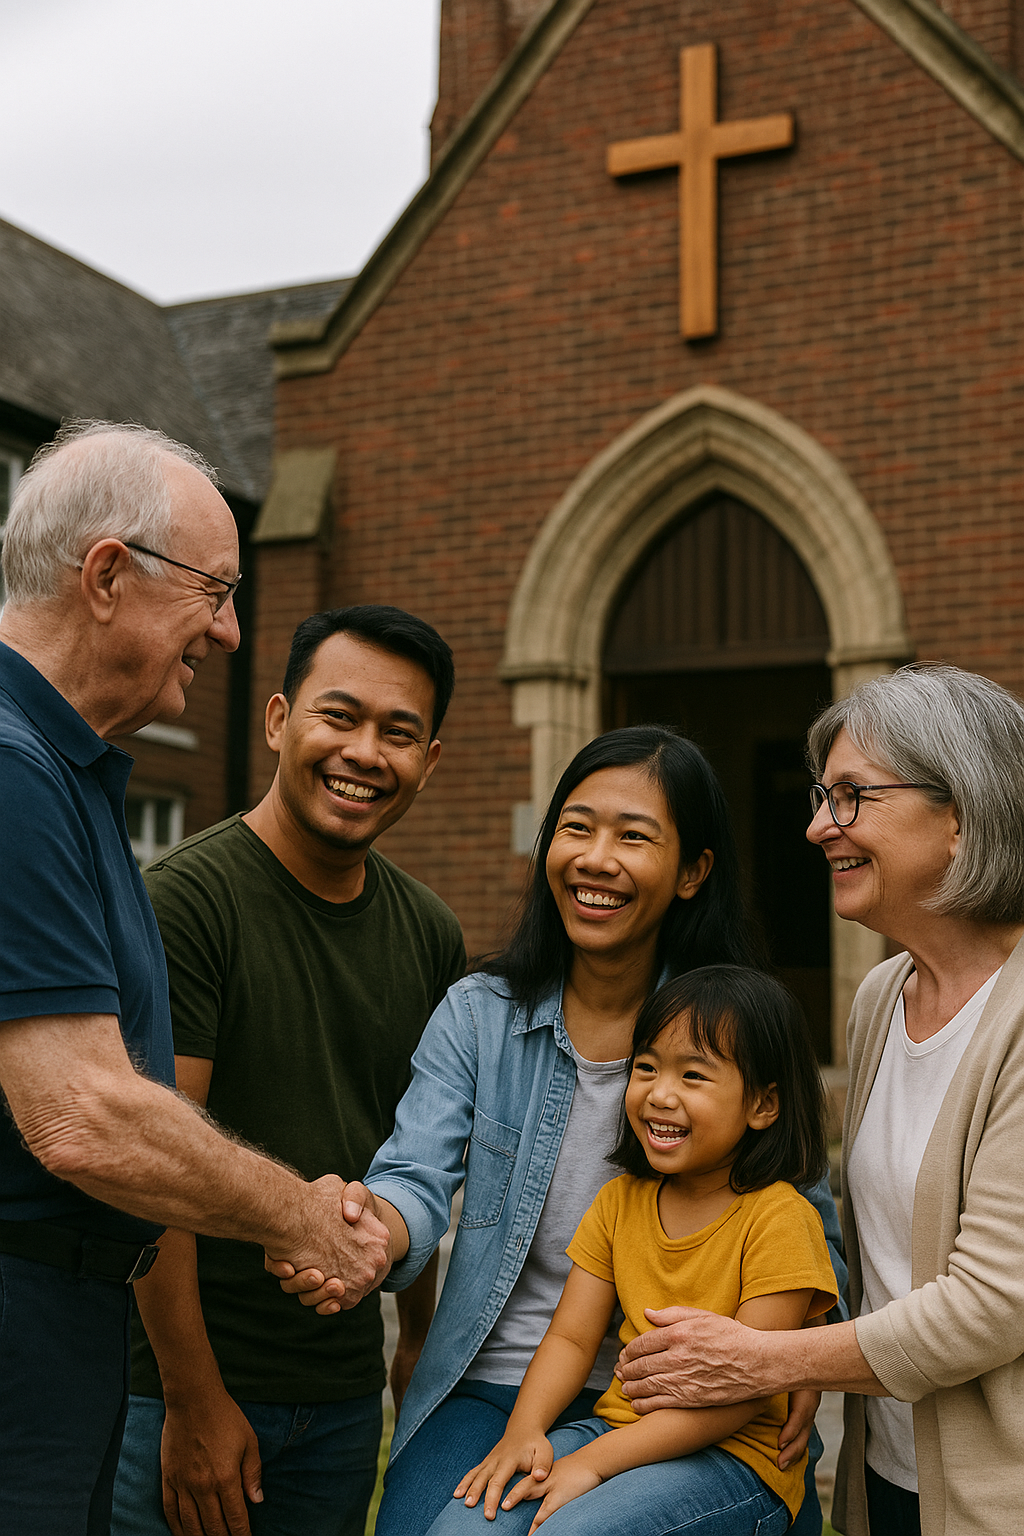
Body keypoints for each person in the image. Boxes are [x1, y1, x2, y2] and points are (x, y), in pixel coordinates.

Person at [276, 725, 846, 1535]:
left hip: (684, 1389)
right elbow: (414, 1177)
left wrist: (798, 1352)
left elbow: (809, 1227)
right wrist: (365, 1232)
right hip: (504, 1377)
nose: (595, 859)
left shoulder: (734, 1033)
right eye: (577, 828)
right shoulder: (479, 1015)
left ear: (693, 871)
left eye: (633, 836)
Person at [0, 422, 390, 1536]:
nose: (228, 630)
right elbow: (81, 1115)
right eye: (213, 591)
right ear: (106, 576)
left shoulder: (58, 769)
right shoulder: (13, 770)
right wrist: (299, 1217)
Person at [614, 664, 1024, 1536]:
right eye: (821, 797)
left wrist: (769, 1359)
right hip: (888, 1478)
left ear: (959, 816)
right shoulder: (880, 997)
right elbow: (875, 1246)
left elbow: (993, 1305)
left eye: (851, 797)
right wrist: (807, 1332)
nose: (816, 827)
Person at [111, 605, 466, 1536]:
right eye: (338, 716)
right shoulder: (186, 903)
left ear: (429, 761)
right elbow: (155, 1166)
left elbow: (416, 1153)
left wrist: (416, 1339)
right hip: (182, 1390)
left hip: (343, 1394)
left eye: (399, 733)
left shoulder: (430, 931)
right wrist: (192, 1399)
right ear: (278, 720)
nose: (364, 753)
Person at [428, 965, 838, 1536]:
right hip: (618, 1431)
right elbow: (571, 1338)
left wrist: (591, 1465)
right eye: (645, 1067)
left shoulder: (782, 1219)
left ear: (763, 1105)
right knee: (463, 1528)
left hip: (734, 1458)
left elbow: (744, 1389)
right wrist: (524, 1430)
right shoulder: (619, 1203)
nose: (659, 1094)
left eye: (693, 1075)